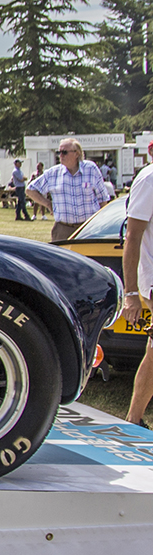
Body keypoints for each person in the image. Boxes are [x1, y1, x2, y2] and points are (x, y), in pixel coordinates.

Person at [26, 138, 110, 242]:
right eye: (59, 152)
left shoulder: (91, 169)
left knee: (89, 258)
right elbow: (30, 190)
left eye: (64, 152)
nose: (61, 155)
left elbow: (103, 199)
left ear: (76, 154)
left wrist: (102, 224)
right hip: (63, 229)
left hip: (89, 228)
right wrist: (48, 204)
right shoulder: (53, 173)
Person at [124, 137, 153, 427]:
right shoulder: (149, 179)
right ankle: (134, 418)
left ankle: (135, 418)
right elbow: (132, 237)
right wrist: (131, 293)